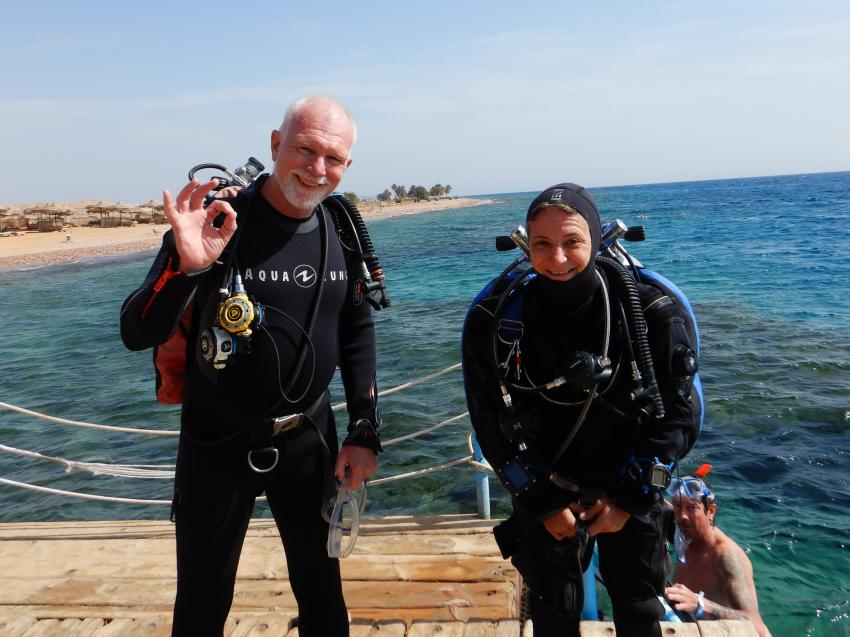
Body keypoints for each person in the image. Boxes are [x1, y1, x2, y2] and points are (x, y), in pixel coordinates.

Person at [120, 96, 382, 637]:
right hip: (216, 439)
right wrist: (188, 269)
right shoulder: (219, 221)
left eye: (332, 158)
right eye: (304, 149)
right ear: (274, 145)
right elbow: (136, 330)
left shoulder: (341, 229)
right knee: (202, 598)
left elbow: (357, 331)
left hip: (310, 439)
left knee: (322, 593)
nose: (316, 169)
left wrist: (364, 428)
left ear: (347, 167)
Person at [462, 183, 701, 637]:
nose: (557, 259)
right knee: (553, 613)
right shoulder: (494, 317)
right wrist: (540, 499)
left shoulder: (649, 311)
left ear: (594, 239)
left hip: (629, 480)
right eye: (542, 244)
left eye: (572, 242)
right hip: (547, 481)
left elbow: (682, 415)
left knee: (640, 608)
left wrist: (630, 500)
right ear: (525, 243)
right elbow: (488, 417)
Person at [664, 473, 773, 637]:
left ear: (711, 511)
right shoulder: (685, 536)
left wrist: (699, 604)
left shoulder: (725, 556)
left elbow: (755, 624)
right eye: (678, 506)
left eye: (692, 507)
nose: (682, 516)